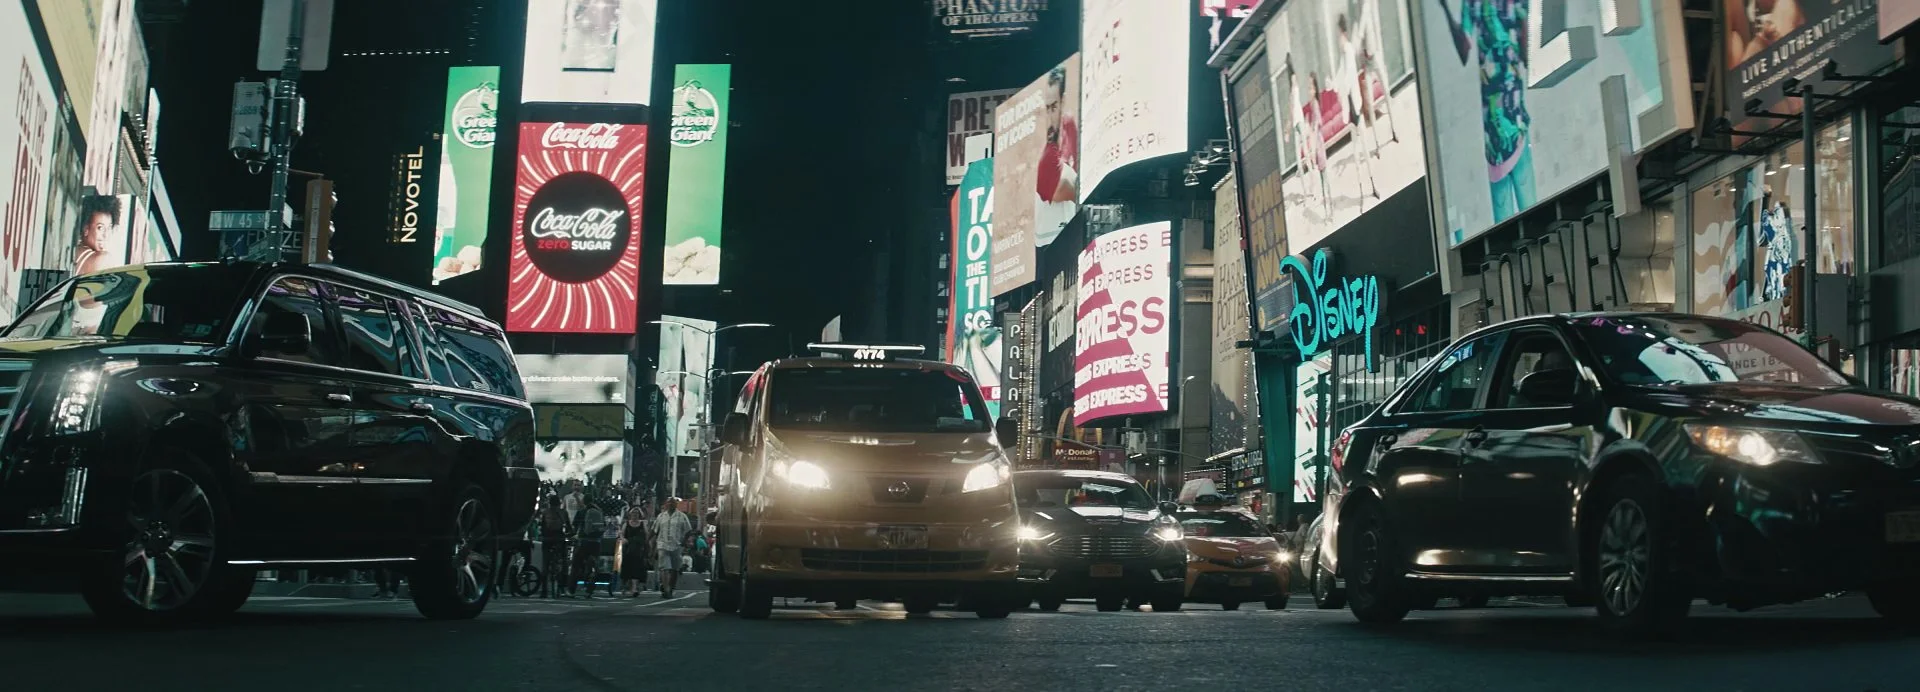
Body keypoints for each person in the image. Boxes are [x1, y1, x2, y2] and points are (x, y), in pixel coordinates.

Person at [1438, 0, 1535, 223]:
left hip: (1496, 130)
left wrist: (1445, 11)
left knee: (1505, 226)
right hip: (1510, 120)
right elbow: (1527, 54)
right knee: (1531, 211)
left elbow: (1464, 50)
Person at [651, 497, 694, 598]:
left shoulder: (682, 516)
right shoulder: (661, 516)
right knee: (664, 568)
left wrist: (684, 541)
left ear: (676, 504)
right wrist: (648, 540)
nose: (671, 504)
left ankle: (671, 586)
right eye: (669, 503)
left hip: (676, 545)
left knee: (675, 569)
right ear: (666, 504)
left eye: (673, 503)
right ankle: (666, 588)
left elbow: (688, 530)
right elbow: (654, 530)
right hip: (663, 544)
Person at [572, 493, 605, 598]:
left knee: (576, 564)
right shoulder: (599, 511)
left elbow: (574, 527)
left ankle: (571, 589)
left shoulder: (581, 512)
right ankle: (590, 589)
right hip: (596, 542)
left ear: (583, 501)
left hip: (584, 541)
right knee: (594, 564)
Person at [619, 506, 651, 597]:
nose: (635, 515)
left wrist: (647, 546)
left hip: (639, 549)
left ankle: (634, 588)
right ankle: (626, 586)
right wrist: (623, 539)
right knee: (627, 567)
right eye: (633, 513)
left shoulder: (642, 524)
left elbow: (647, 535)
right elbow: (622, 534)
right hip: (628, 549)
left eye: (637, 514)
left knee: (637, 568)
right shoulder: (626, 524)